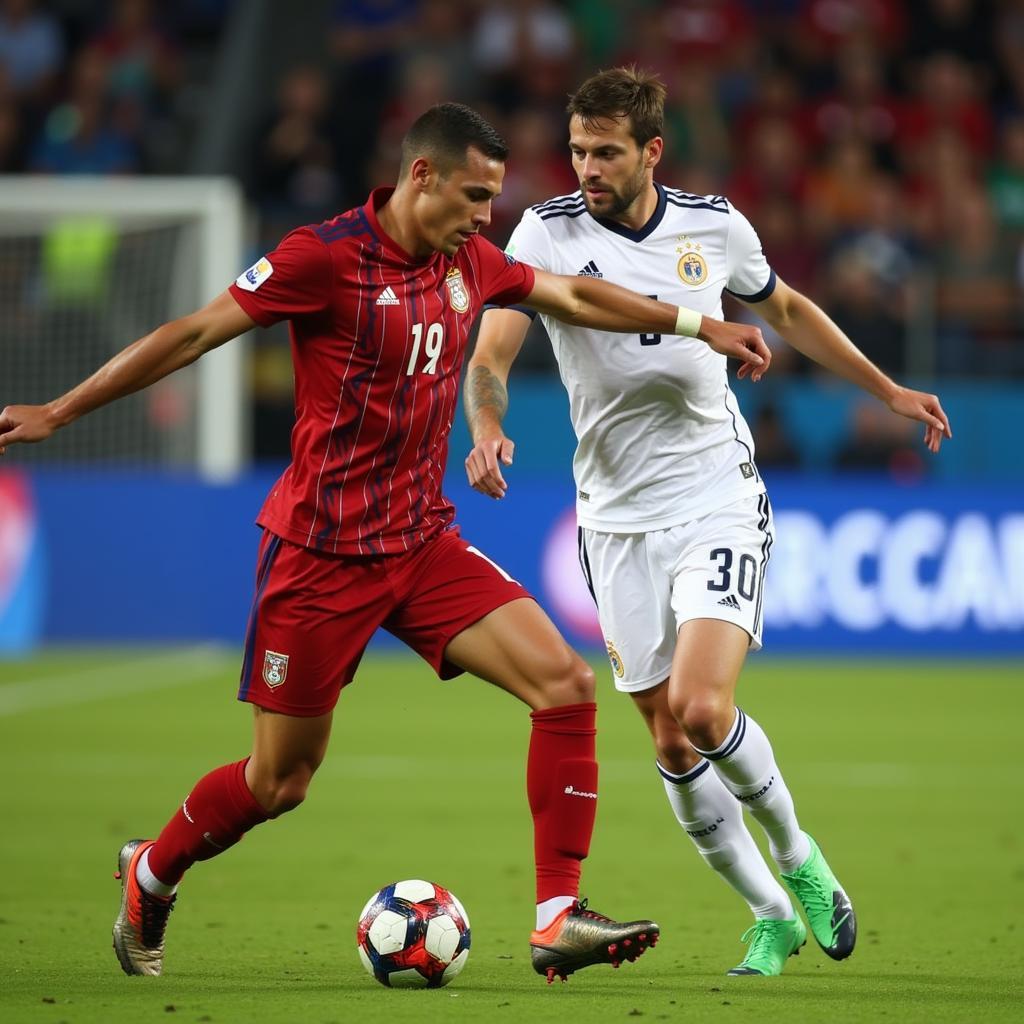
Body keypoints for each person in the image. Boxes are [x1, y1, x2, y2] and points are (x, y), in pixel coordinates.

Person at [0, 102, 772, 984]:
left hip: (419, 542)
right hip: (320, 557)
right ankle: (153, 870)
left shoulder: (467, 261)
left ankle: (557, 914)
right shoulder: (320, 258)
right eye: (476, 197)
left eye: (493, 200)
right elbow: (193, 332)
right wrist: (58, 410)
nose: (489, 220)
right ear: (421, 176)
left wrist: (697, 324)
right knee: (279, 781)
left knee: (563, 684)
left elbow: (571, 294)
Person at [464, 69, 953, 978]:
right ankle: (768, 913)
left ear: (651, 150)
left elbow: (790, 310)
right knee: (664, 733)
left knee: (701, 705)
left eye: (606, 151)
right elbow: (492, 349)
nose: (588, 168)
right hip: (612, 520)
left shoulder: (713, 226)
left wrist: (884, 388)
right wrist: (486, 426)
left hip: (713, 497)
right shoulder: (546, 233)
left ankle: (801, 862)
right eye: (577, 150)